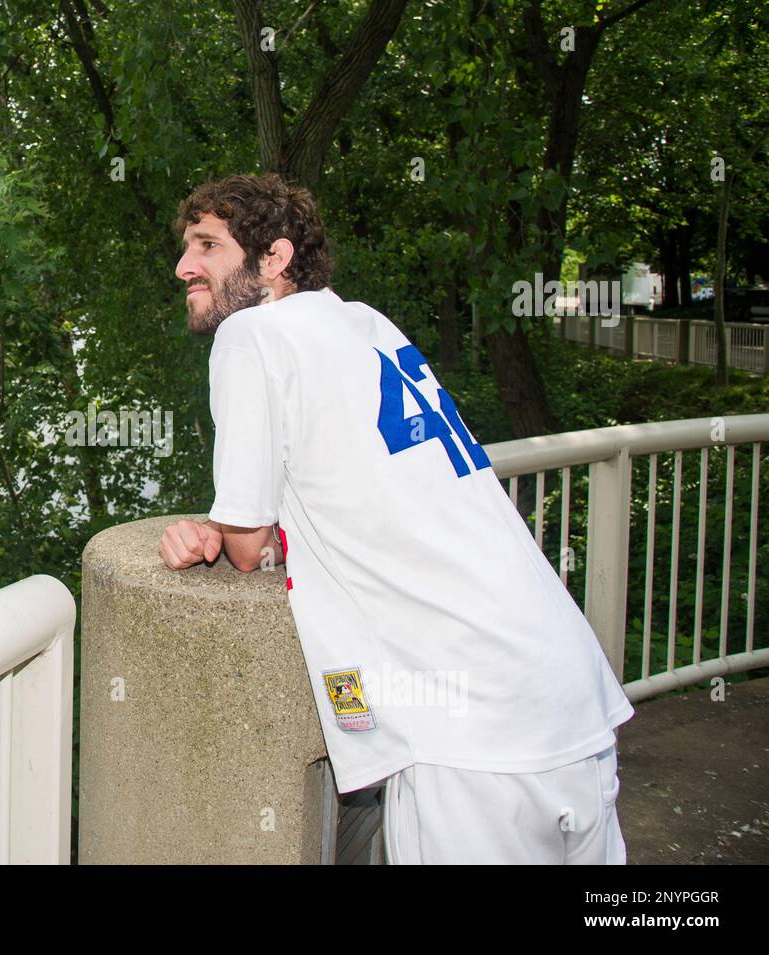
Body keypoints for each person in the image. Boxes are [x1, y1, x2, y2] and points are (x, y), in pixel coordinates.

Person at [158, 172, 634, 864]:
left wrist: (222, 528)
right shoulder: (367, 325)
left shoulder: (252, 336)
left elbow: (243, 546)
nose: (184, 265)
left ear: (275, 257)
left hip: (473, 743)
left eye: (207, 244)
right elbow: (349, 490)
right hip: (566, 695)